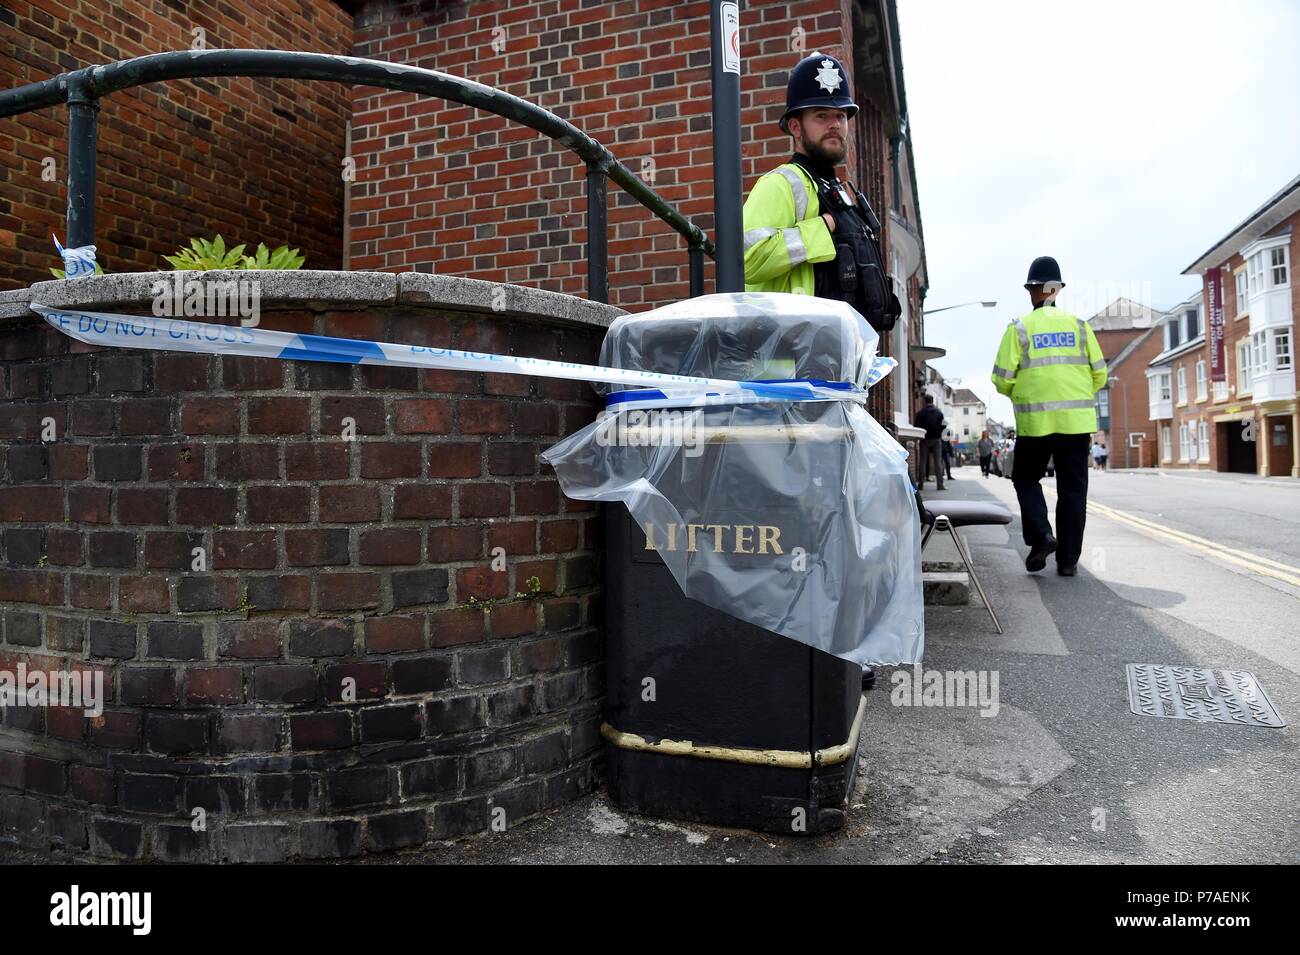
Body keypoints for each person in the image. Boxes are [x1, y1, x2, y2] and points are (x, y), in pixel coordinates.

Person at [742, 52, 901, 335]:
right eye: (821, 116)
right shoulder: (779, 184)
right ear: (795, 126)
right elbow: (746, 261)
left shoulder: (841, 192)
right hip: (790, 367)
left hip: (838, 363)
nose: (834, 124)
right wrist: (822, 228)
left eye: (840, 116)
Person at [991, 256, 1107, 576]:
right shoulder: (1081, 327)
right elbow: (1100, 375)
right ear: (1058, 290)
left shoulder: (1019, 328)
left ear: (1032, 290)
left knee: (1026, 478)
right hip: (1076, 424)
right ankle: (1068, 562)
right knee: (1073, 490)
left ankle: (1042, 535)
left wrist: (1023, 394)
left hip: (1036, 424)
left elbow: (1001, 378)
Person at [914, 395, 946, 490]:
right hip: (936, 439)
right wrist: (939, 433)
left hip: (924, 439)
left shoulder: (921, 413)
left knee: (922, 462)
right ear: (932, 401)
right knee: (938, 463)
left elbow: (917, 425)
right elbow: (944, 426)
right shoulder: (939, 412)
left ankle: (921, 485)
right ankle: (940, 485)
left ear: (924, 401)